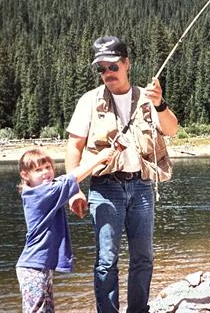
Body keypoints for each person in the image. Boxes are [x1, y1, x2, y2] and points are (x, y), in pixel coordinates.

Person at [65, 36, 178, 312]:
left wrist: (160, 104)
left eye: (112, 66)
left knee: (143, 258)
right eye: (101, 69)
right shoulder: (89, 101)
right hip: (105, 188)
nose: (107, 74)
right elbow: (74, 146)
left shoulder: (147, 97)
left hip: (141, 186)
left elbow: (172, 129)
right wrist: (73, 189)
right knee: (106, 260)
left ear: (127, 63)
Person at [16, 147, 115, 313]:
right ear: (26, 176)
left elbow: (64, 181)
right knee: (36, 309)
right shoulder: (41, 194)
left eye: (48, 167)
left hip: (40, 265)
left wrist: (75, 195)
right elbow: (74, 178)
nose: (45, 172)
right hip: (33, 267)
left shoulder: (41, 189)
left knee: (47, 309)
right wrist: (100, 158)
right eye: (38, 170)